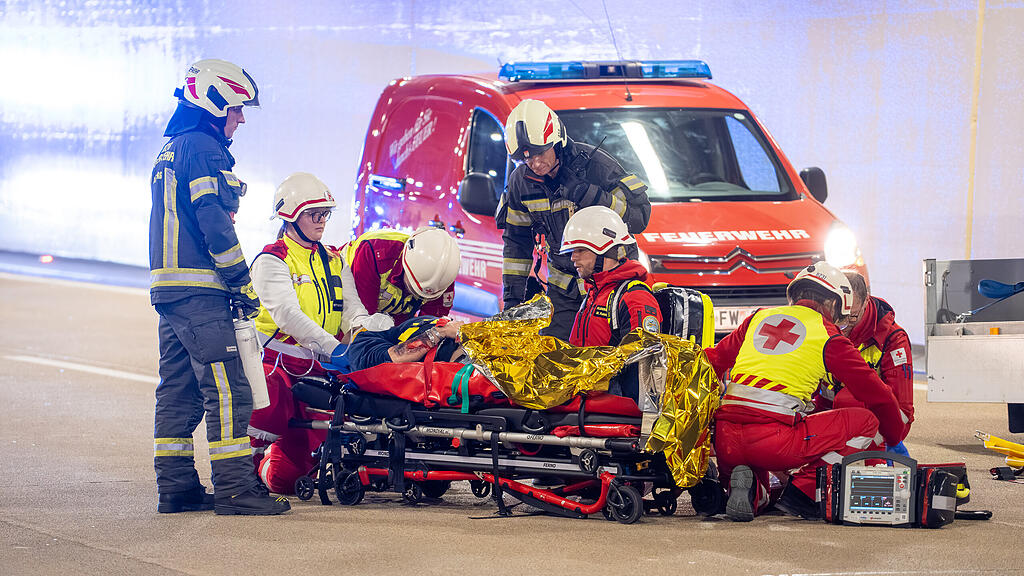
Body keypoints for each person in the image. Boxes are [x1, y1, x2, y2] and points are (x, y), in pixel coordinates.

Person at [149, 59, 289, 515]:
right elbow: (213, 221)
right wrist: (241, 283)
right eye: (236, 109)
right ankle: (235, 489)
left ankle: (177, 487)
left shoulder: (171, 149)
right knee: (230, 390)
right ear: (212, 106)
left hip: (170, 291)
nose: (241, 119)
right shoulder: (204, 150)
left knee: (178, 390)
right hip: (200, 291)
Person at [703, 262, 904, 521]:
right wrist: (893, 434)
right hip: (774, 442)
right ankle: (804, 491)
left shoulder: (759, 316)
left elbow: (713, 359)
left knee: (757, 488)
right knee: (866, 422)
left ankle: (752, 492)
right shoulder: (829, 336)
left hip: (726, 439)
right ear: (834, 305)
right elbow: (877, 394)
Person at [497, 99, 651, 341]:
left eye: (539, 153)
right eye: (526, 159)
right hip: (564, 294)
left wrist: (591, 194)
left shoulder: (597, 166)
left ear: (557, 141)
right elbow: (516, 244)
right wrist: (512, 301)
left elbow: (639, 218)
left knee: (617, 362)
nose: (535, 164)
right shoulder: (521, 183)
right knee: (555, 363)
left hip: (613, 289)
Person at [247, 172, 362, 495]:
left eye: (325, 214)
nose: (322, 221)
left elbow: (352, 309)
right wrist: (333, 348)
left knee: (289, 479)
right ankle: (243, 471)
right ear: (290, 216)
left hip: (318, 371)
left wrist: (364, 332)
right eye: (314, 215)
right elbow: (288, 316)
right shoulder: (272, 260)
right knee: (266, 409)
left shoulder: (334, 259)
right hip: (278, 367)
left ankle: (271, 466)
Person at [560, 206, 662, 402]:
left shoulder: (634, 297)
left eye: (580, 250)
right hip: (585, 393)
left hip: (612, 403)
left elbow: (640, 367)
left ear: (604, 250)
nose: (573, 257)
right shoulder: (596, 292)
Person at [818, 272, 914, 453]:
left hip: (873, 425)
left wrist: (879, 440)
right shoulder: (821, 327)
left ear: (866, 302)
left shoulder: (892, 339)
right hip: (826, 416)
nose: (844, 325)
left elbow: (903, 411)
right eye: (840, 316)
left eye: (852, 317)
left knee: (849, 397)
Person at [342, 227, 461, 332]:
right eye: (412, 289)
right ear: (405, 264)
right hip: (343, 306)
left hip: (391, 317)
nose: (413, 294)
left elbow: (430, 325)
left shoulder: (442, 276)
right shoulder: (374, 252)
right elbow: (362, 319)